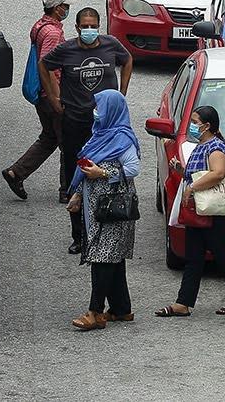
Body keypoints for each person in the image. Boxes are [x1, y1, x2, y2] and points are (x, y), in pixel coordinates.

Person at [43, 7, 133, 255]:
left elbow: (127, 60)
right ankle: (79, 235)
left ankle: (106, 228)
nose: (90, 30)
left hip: (105, 124)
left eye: (94, 26)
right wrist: (53, 97)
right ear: (77, 28)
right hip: (75, 119)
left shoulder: (110, 45)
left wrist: (121, 93)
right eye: (85, 26)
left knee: (108, 171)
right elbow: (45, 65)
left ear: (99, 26)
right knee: (77, 173)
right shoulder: (66, 49)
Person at [155, 106, 225, 318]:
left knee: (223, 256)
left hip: (214, 212)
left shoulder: (215, 147)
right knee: (194, 257)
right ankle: (183, 303)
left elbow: (218, 173)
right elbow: (199, 174)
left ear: (207, 126)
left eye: (195, 122)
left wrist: (192, 187)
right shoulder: (201, 145)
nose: (192, 126)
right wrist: (181, 171)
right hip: (198, 211)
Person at [66, 90, 141, 331]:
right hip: (96, 206)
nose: (95, 111)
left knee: (103, 257)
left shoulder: (122, 138)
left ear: (112, 110)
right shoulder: (99, 135)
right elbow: (86, 168)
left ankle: (94, 312)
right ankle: (121, 309)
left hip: (113, 209)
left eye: (100, 107)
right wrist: (77, 193)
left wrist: (104, 173)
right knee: (112, 257)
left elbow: (133, 168)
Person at [2, 0, 77, 202]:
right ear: (57, 8)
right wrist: (57, 98)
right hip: (52, 95)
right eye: (65, 6)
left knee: (49, 137)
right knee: (68, 143)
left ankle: (16, 173)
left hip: (42, 94)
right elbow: (49, 67)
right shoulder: (52, 33)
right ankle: (67, 191)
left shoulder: (39, 26)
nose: (67, 9)